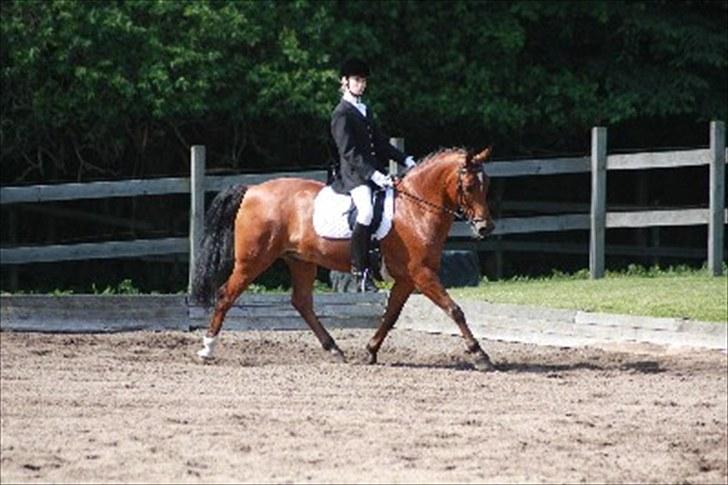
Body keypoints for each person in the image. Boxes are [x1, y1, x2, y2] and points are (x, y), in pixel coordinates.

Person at [330, 57, 417, 292]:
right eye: (357, 80)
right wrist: (375, 176)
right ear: (345, 82)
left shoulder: (364, 110)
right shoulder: (341, 113)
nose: (361, 84)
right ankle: (359, 271)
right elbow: (349, 152)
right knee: (366, 212)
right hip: (353, 176)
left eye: (363, 81)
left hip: (372, 173)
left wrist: (405, 159)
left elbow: (380, 143)